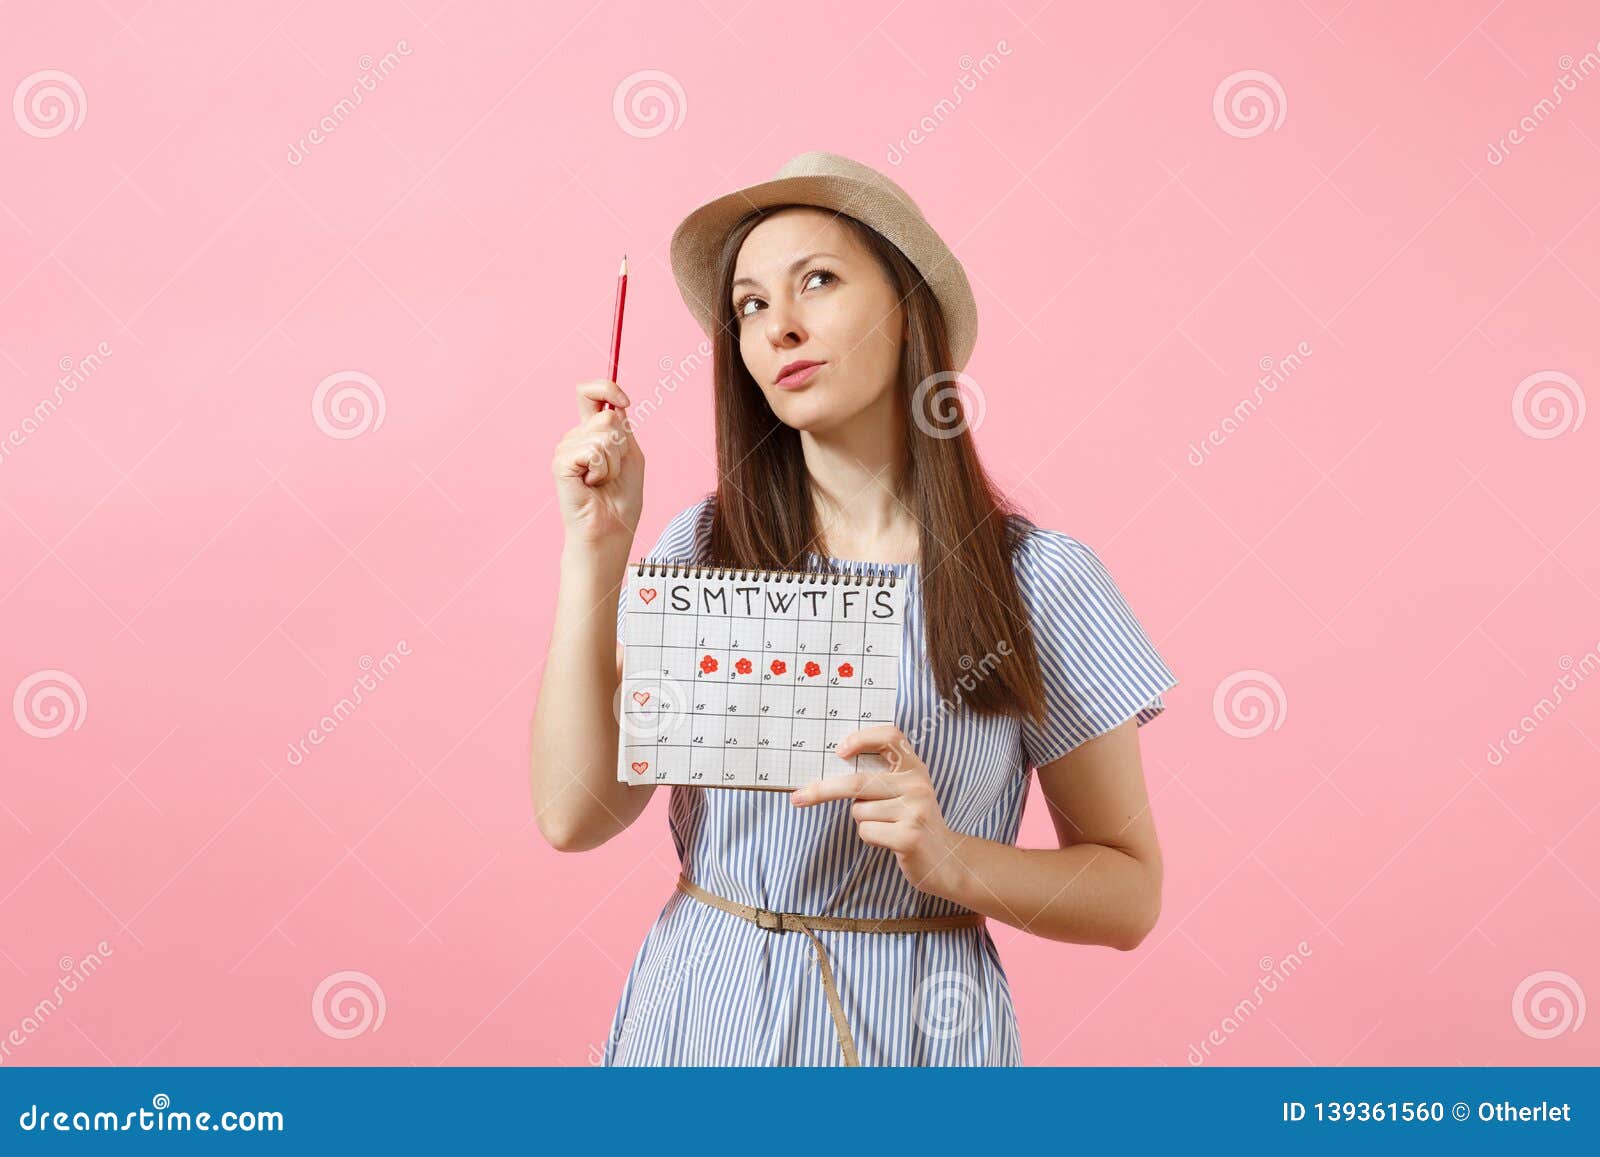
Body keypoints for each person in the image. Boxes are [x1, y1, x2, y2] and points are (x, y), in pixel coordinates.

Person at [530, 151, 1179, 1065]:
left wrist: (951, 858)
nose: (780, 328)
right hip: (694, 1026)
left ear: (909, 308)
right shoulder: (703, 554)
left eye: (818, 281)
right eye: (751, 306)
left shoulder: (1043, 581)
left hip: (915, 1031)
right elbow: (573, 813)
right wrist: (596, 546)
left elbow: (1129, 894)